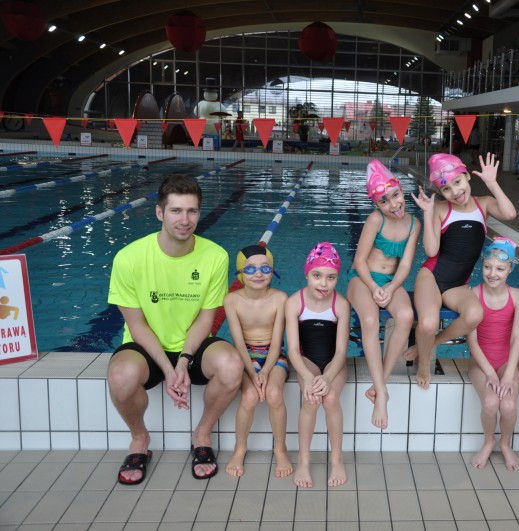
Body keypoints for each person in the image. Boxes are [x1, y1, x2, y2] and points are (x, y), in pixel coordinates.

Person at [107, 174, 243, 485]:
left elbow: (205, 320)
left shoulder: (215, 256)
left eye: (192, 211)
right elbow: (136, 325)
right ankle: (139, 439)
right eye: (176, 211)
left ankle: (202, 433)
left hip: (193, 345)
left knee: (231, 365)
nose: (185, 220)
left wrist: (183, 360)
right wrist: (168, 370)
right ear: (160, 212)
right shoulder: (129, 258)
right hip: (146, 347)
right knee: (120, 376)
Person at [404, 152, 517, 388]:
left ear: (467, 176)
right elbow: (432, 251)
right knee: (427, 323)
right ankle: (424, 362)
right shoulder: (439, 209)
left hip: (457, 285)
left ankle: (430, 344)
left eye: (457, 182)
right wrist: (427, 212)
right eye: (446, 189)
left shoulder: (483, 204)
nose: (455, 191)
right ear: (440, 192)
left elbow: (510, 213)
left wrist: (492, 183)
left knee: (475, 315)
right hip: (431, 277)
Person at [347, 160, 421, 429]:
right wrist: (374, 287)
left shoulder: (414, 224)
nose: (393, 204)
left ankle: (381, 385)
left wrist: (389, 288)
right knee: (369, 320)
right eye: (384, 201)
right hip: (362, 279)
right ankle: (381, 395)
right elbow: (358, 261)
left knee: (406, 316)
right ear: (376, 205)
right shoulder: (375, 220)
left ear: (402, 190)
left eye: (395, 195)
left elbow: (405, 265)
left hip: (391, 281)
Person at [285, 242, 350, 488]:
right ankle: (303, 461)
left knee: (331, 399)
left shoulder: (340, 304)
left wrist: (328, 376)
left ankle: (337, 460)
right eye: (317, 276)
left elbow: (342, 351)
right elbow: (293, 349)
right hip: (307, 362)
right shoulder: (295, 302)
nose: (323, 284)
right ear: (307, 274)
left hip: (334, 362)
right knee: (311, 399)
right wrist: (308, 377)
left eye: (331, 278)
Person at [223, 245, 292, 478]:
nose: (258, 274)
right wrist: (253, 373)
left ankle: (280, 449)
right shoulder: (232, 300)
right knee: (250, 396)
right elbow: (238, 343)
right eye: (251, 269)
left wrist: (265, 371)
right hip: (245, 357)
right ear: (240, 273)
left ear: (273, 271)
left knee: (274, 394)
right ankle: (240, 448)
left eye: (265, 268)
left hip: (274, 355)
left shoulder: (280, 298)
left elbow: (277, 342)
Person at [466, 237, 519, 471]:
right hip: (481, 364)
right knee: (491, 402)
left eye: (500, 269)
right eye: (487, 267)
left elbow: (517, 337)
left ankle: (505, 444)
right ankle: (489, 441)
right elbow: (472, 340)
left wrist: (509, 373)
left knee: (508, 406)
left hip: (506, 362)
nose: (492, 274)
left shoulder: (518, 295)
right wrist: (490, 373)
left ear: (510, 269)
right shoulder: (473, 294)